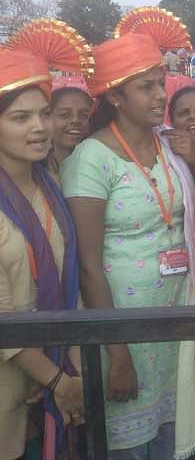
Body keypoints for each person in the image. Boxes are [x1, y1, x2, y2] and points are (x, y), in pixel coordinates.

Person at [61, 33, 195, 459]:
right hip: (121, 331)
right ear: (117, 97)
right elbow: (88, 265)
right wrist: (117, 353)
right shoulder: (91, 158)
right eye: (147, 87)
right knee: (127, 443)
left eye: (161, 83)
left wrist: (191, 161)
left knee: (169, 434)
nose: (162, 95)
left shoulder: (168, 146)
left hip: (173, 323)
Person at [0, 48, 83, 460]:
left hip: (51, 370)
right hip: (12, 384)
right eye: (20, 118)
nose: (40, 128)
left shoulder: (49, 182)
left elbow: (69, 277)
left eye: (43, 113)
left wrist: (69, 370)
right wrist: (56, 380)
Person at [49, 86, 93, 173]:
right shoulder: (33, 169)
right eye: (65, 114)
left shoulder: (99, 164)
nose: (75, 120)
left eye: (84, 115)